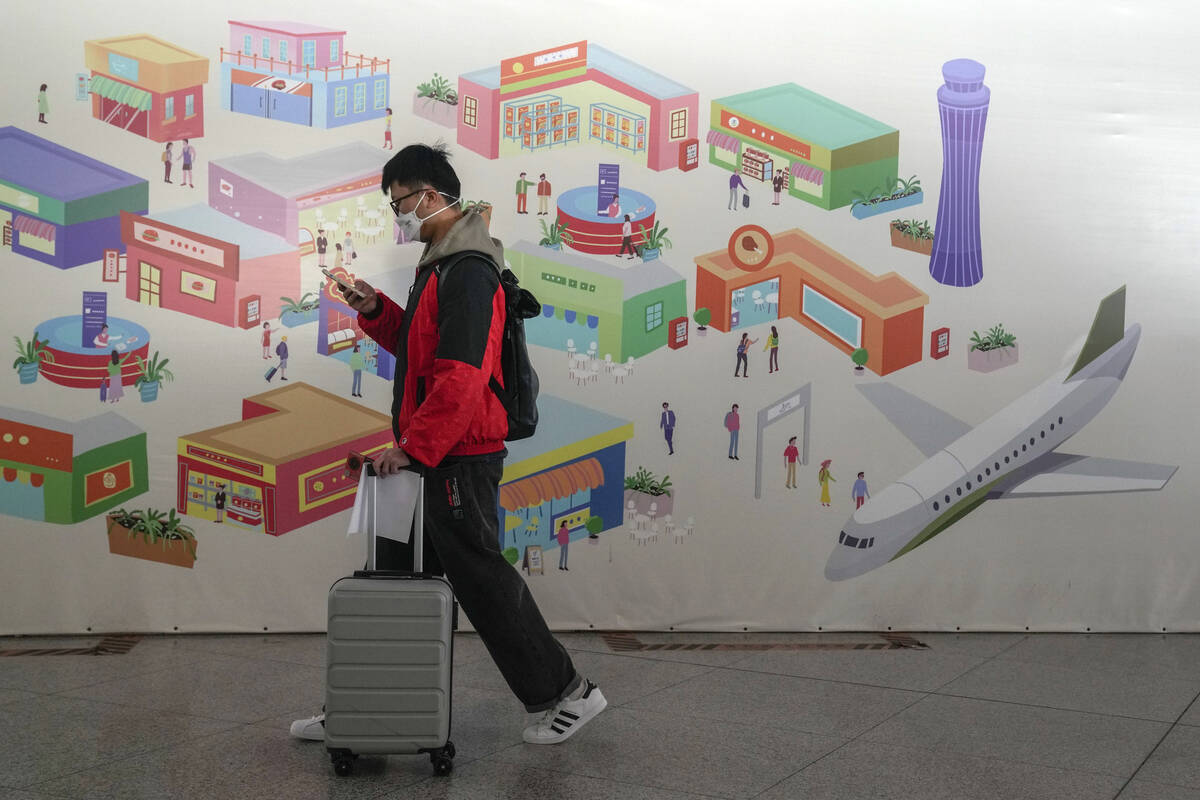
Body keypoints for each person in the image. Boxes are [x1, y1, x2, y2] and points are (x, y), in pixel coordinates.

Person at [290, 142, 606, 746]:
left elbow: (462, 375)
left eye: (400, 202)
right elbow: (420, 352)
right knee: (392, 581)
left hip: (457, 455)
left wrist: (413, 449)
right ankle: (362, 707)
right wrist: (371, 307)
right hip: (431, 451)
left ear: (431, 197)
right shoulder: (439, 262)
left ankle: (568, 694)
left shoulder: (468, 269)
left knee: (480, 577)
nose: (396, 215)